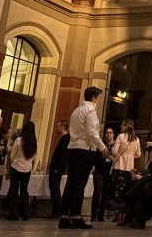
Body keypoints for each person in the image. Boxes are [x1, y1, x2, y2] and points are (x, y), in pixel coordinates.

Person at [59, 86, 108, 230]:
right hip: (84, 151)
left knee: (70, 184)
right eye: (98, 97)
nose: (98, 100)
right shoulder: (91, 111)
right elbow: (92, 133)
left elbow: (80, 130)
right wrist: (103, 147)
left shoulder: (76, 110)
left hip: (72, 149)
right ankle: (76, 217)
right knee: (79, 185)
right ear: (93, 98)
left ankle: (63, 217)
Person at [107, 120, 142, 220]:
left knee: (117, 191)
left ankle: (117, 214)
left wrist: (119, 154)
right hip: (129, 168)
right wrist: (130, 156)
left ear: (126, 126)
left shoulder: (120, 136)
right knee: (126, 191)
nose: (121, 127)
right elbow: (138, 154)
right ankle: (125, 214)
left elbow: (114, 152)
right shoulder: (136, 139)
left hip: (119, 166)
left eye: (122, 125)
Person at [7, 121, 37, 220]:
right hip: (27, 169)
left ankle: (13, 214)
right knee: (24, 191)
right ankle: (25, 214)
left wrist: (13, 161)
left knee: (14, 191)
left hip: (16, 168)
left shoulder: (19, 140)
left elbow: (12, 154)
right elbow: (33, 157)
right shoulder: (34, 142)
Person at [90, 127, 115, 222]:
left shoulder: (115, 146)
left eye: (110, 133)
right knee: (97, 193)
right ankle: (93, 214)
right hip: (99, 171)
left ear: (113, 135)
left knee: (105, 195)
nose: (108, 134)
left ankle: (100, 215)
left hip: (109, 172)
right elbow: (95, 157)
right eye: (107, 133)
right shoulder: (101, 145)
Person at [47, 120, 70, 218]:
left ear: (62, 127)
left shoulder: (65, 139)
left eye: (57, 126)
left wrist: (57, 167)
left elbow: (62, 155)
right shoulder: (64, 138)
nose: (56, 128)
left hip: (57, 168)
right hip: (57, 167)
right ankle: (56, 211)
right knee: (54, 189)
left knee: (55, 189)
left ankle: (57, 212)